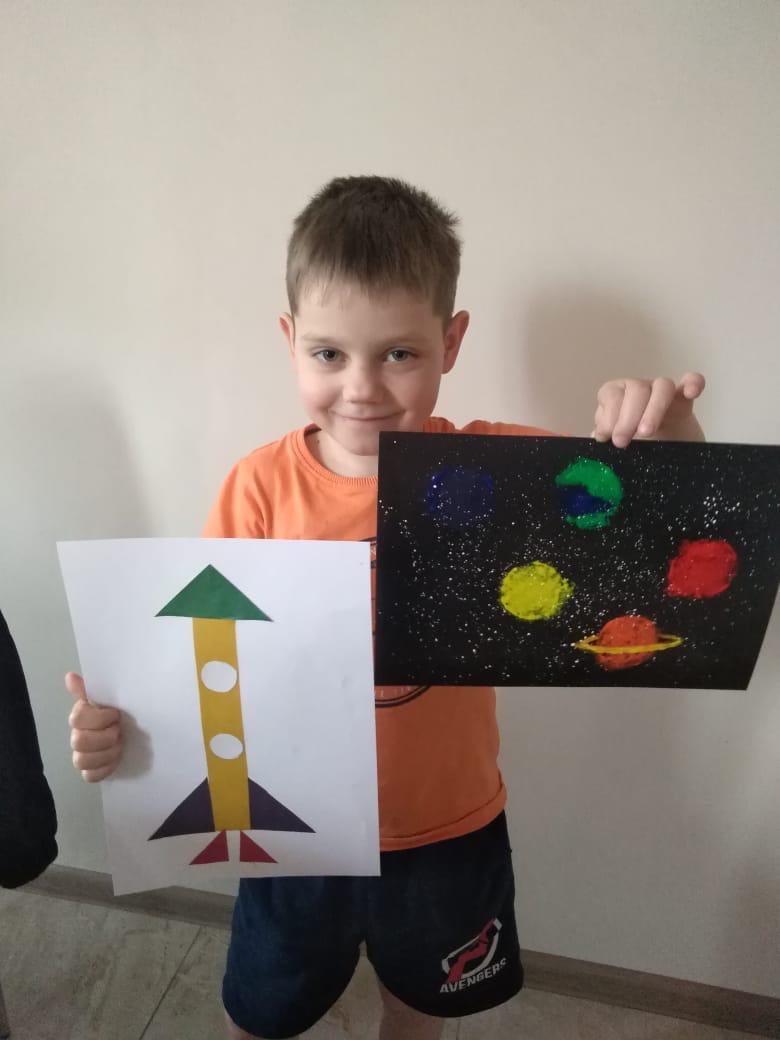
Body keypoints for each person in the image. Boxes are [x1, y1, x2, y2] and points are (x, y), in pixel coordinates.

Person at [66, 175, 705, 1040]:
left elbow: (653, 524)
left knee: (418, 1012)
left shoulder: (497, 473)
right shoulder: (258, 488)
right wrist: (124, 733)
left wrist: (667, 439)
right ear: (290, 341)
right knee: (262, 1014)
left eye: (399, 353)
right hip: (290, 834)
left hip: (446, 829)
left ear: (451, 342)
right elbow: (199, 661)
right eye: (329, 354)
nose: (362, 387)